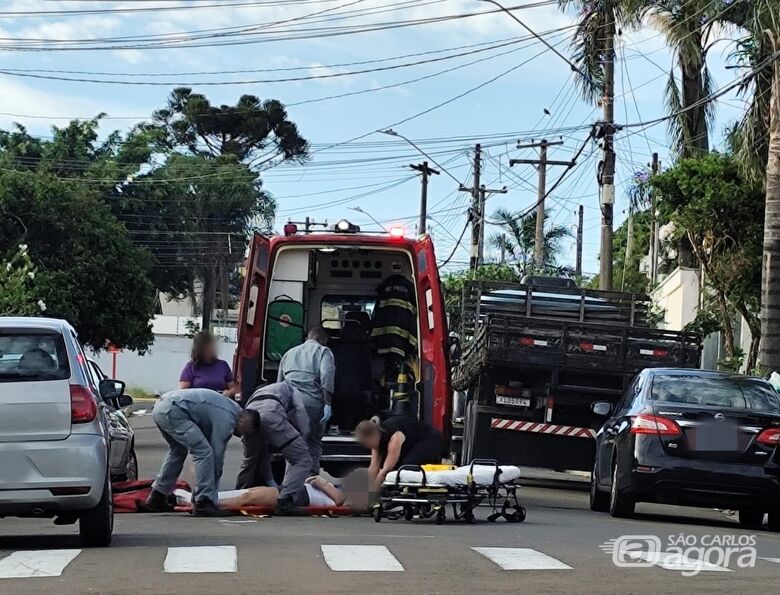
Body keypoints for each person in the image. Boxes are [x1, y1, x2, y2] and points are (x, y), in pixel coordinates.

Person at [144, 388, 259, 517]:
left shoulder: (227, 407)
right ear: (243, 420)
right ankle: (204, 502)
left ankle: (158, 496)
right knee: (204, 452)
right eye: (245, 432)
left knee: (178, 451)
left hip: (162, 407)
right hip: (175, 409)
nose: (241, 436)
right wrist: (212, 493)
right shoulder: (228, 417)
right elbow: (217, 454)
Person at [237, 382, 313, 512]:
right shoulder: (291, 389)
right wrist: (303, 435)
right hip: (272, 416)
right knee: (302, 459)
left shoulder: (257, 394)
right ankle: (286, 500)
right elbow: (300, 410)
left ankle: (237, 493)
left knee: (250, 460)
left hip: (250, 418)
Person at [277, 326, 335, 475]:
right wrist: (328, 404)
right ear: (323, 340)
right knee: (313, 443)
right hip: (311, 405)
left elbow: (279, 382)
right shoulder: (323, 351)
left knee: (292, 443)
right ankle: (310, 480)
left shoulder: (289, 353)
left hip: (288, 404)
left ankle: (290, 480)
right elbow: (326, 377)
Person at [355, 416, 443, 489]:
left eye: (366, 442)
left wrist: (371, 493)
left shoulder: (395, 438)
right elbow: (373, 468)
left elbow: (385, 470)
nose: (367, 446)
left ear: (373, 436)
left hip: (430, 439)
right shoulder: (376, 437)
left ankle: (408, 492)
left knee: (404, 468)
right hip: (411, 442)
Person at [179, 331, 237, 397]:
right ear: (199, 350)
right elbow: (183, 392)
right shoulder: (191, 367)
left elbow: (233, 388)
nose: (210, 350)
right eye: (206, 348)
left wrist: (229, 392)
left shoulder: (223, 365)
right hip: (197, 404)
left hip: (219, 403)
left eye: (211, 347)